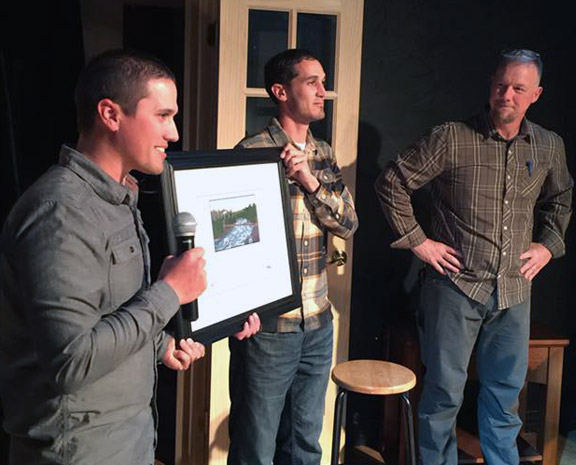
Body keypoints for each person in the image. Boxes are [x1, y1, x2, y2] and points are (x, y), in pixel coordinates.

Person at [0, 49, 258, 465]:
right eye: (162, 116)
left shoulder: (122, 196)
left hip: (130, 439)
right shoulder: (60, 212)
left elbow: (110, 308)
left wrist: (161, 344)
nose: (174, 133)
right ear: (110, 114)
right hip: (79, 452)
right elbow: (71, 361)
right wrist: (169, 291)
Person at [375, 49, 573, 465]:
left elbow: (560, 200)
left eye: (518, 88)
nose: (507, 95)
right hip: (455, 287)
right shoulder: (452, 137)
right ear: (491, 85)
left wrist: (547, 245)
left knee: (505, 397)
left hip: (514, 291)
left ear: (535, 94)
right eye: (501, 85)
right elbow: (392, 181)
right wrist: (419, 241)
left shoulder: (549, 145)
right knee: (444, 394)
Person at [228, 48, 358, 465]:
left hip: (318, 322)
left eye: (323, 81)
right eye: (312, 82)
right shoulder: (250, 151)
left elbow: (349, 223)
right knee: (256, 446)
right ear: (281, 91)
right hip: (268, 328)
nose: (324, 91)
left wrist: (308, 180)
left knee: (305, 445)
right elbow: (233, 243)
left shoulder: (322, 153)